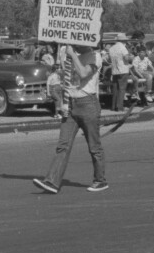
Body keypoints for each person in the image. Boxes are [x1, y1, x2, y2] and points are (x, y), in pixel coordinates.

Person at [34, 44, 108, 193]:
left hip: (88, 104)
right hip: (71, 104)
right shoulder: (71, 57)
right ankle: (52, 181)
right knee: (63, 145)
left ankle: (100, 180)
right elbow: (68, 80)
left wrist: (72, 55)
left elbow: (83, 73)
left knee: (94, 146)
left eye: (77, 43)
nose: (75, 45)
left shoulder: (96, 57)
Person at [108, 33, 131, 111]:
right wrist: (131, 57)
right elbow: (126, 58)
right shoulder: (123, 47)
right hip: (123, 70)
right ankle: (119, 107)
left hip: (114, 70)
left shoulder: (111, 48)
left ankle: (113, 106)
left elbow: (108, 59)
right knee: (122, 89)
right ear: (123, 40)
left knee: (115, 89)